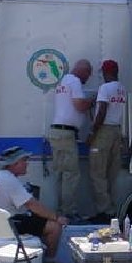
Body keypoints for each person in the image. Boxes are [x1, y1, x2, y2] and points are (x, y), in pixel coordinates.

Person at [0, 146, 71, 263]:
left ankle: (42, 262)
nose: (27, 164)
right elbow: (33, 206)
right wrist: (57, 217)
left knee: (40, 221)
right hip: (10, 225)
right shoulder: (10, 181)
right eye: (24, 160)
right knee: (54, 227)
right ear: (15, 163)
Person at [48, 59, 94, 219]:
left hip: (56, 131)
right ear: (84, 71)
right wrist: (92, 101)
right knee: (71, 174)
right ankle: (69, 212)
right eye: (88, 74)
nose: (87, 79)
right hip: (66, 134)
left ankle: (60, 210)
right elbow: (79, 105)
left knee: (60, 173)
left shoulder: (63, 81)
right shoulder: (74, 82)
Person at [88, 60, 126, 224]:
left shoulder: (105, 88)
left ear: (106, 72)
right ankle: (111, 209)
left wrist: (92, 132)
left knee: (97, 173)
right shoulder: (122, 89)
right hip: (117, 131)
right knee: (111, 173)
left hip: (103, 131)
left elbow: (102, 111)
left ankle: (105, 211)